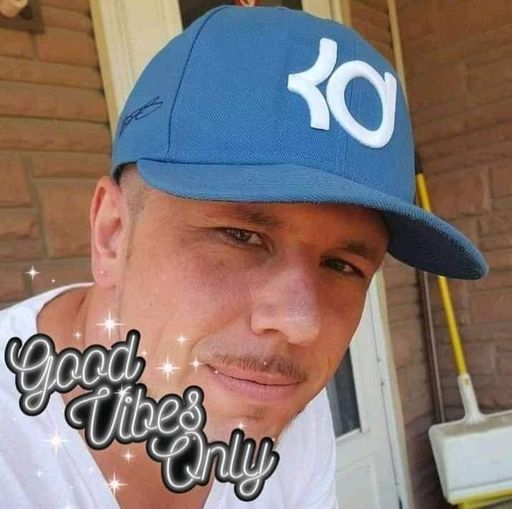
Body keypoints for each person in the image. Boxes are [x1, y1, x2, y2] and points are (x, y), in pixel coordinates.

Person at [0, 5, 488, 509]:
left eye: (343, 265)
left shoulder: (271, 394)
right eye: (240, 236)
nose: (300, 325)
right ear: (112, 235)